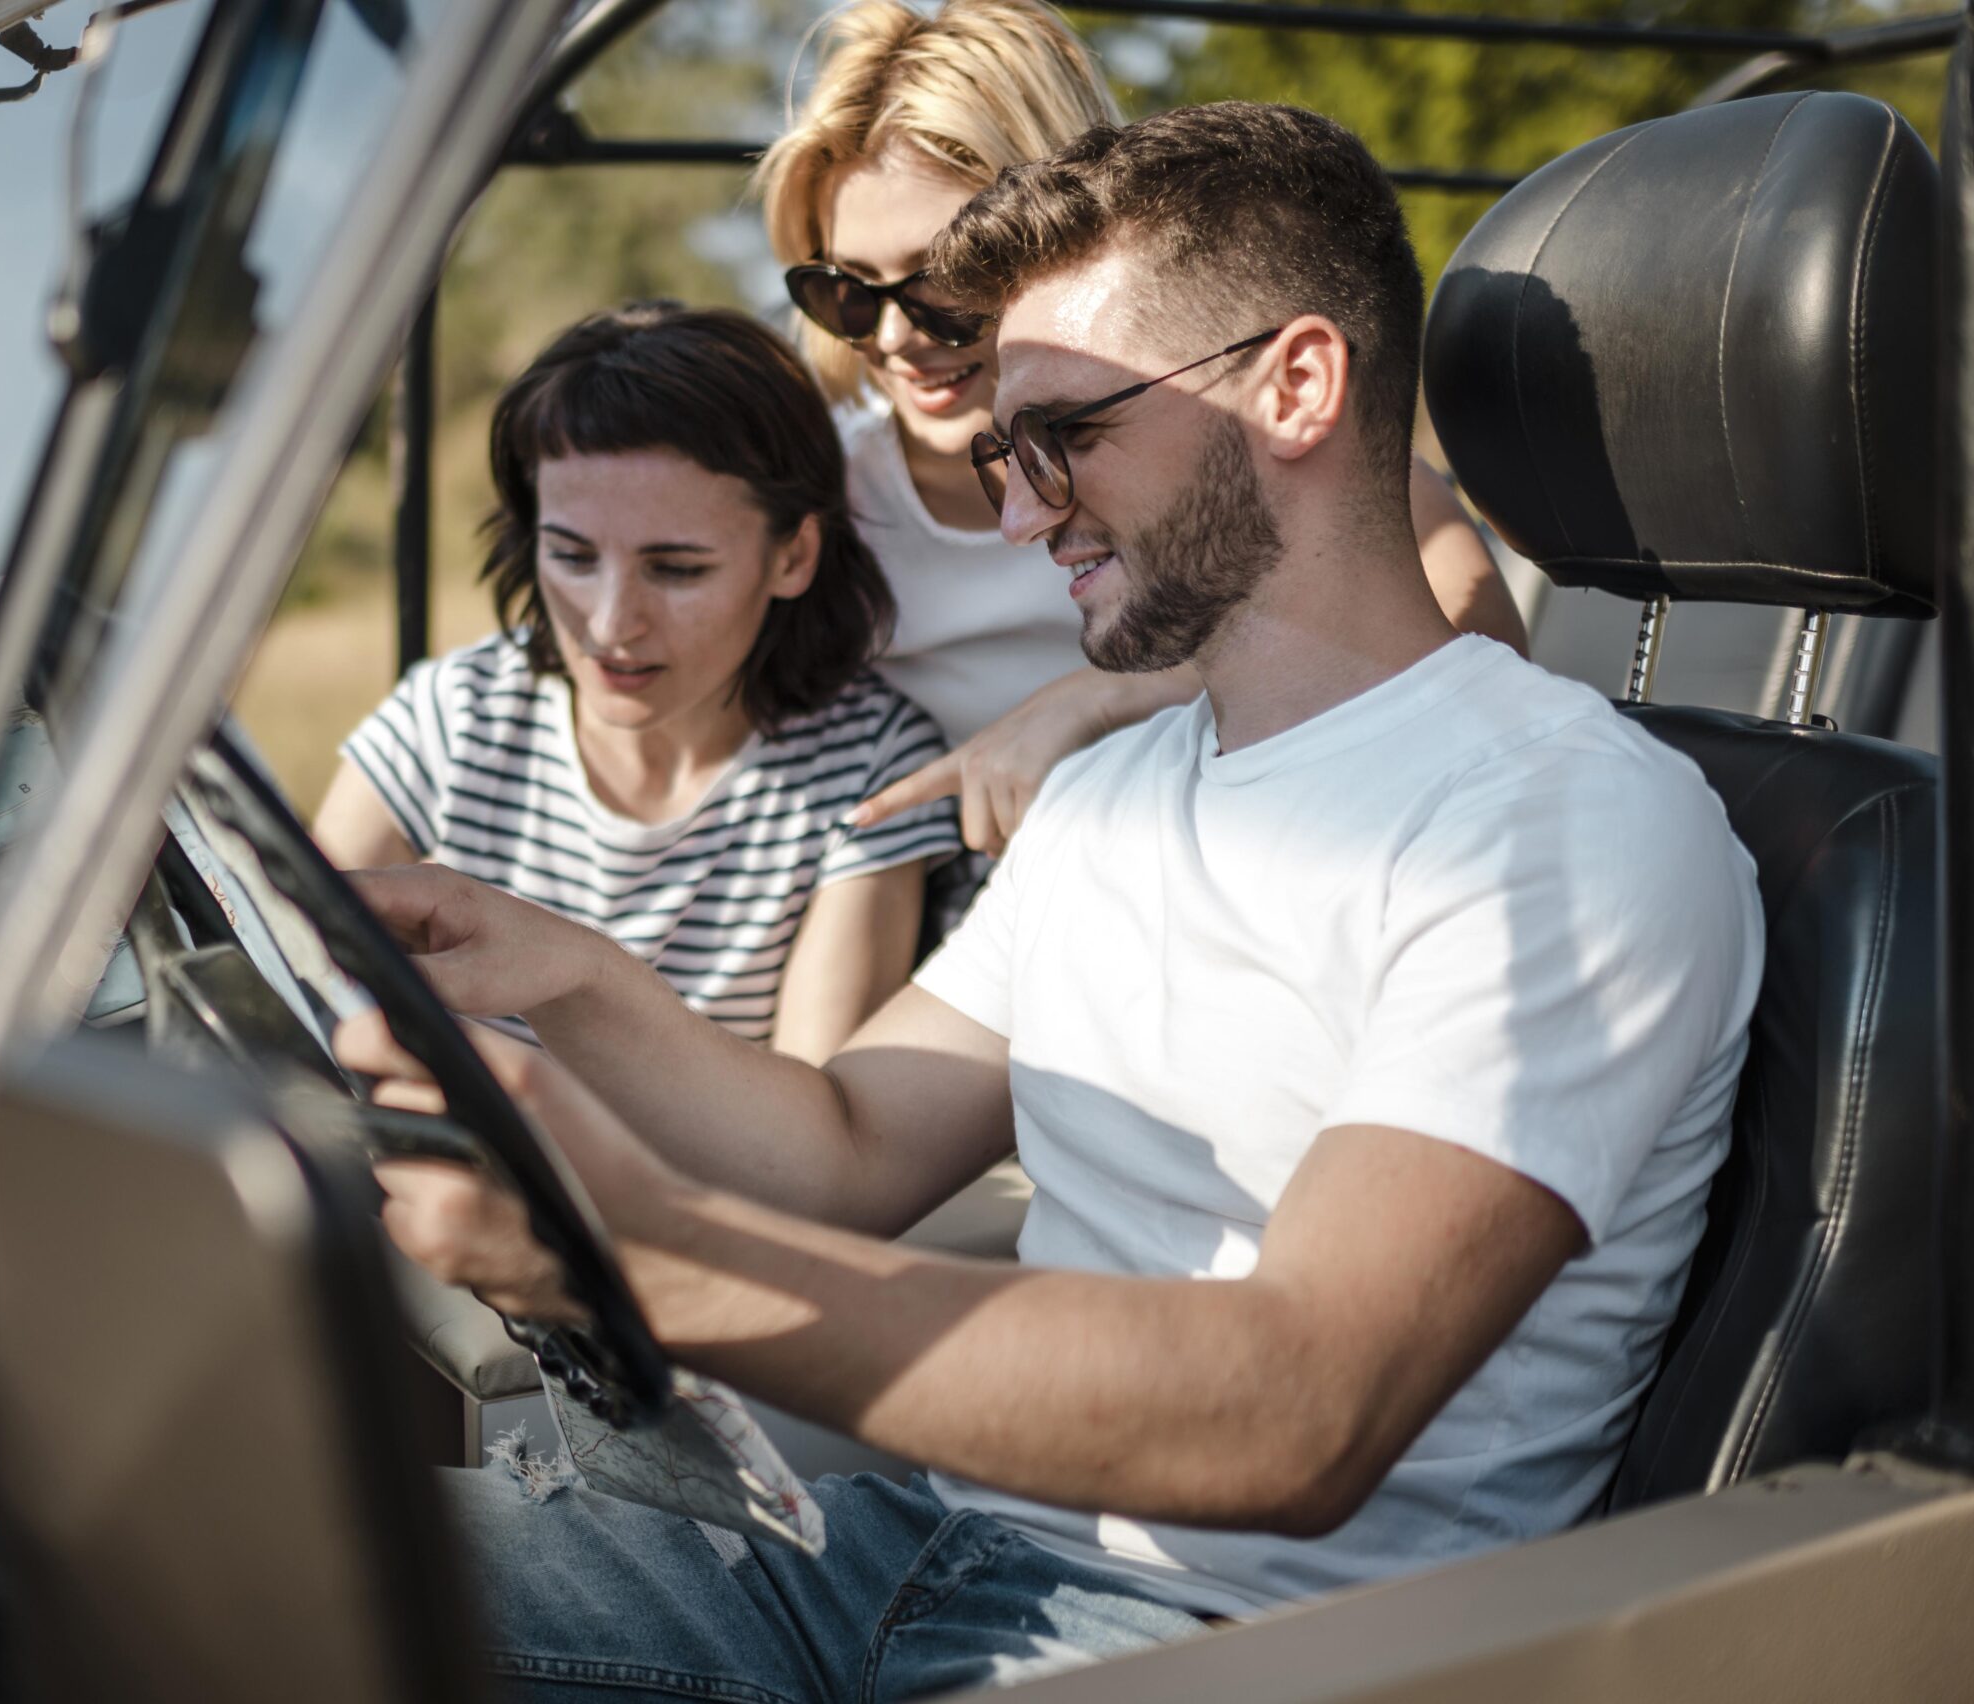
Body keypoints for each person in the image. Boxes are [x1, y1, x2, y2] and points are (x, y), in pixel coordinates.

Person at [345, 104, 1765, 1699]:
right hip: (908, 1556)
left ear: (1295, 385)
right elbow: (846, 1151)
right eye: (1003, 456)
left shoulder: (1560, 825)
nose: (1022, 515)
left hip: (1246, 1643)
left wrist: (653, 1262)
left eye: (1067, 438)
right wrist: (565, 972)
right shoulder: (1116, 796)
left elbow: (1294, 1414)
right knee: (192, 1555)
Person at [758, 0, 1530, 858]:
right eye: (849, 293)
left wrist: (1111, 698)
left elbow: (1476, 643)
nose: (894, 337)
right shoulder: (817, 504)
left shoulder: (1227, 439)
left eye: (943, 283)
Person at [315, 303, 962, 1064]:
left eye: (677, 569)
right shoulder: (453, 713)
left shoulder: (874, 768)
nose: (613, 625)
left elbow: (815, 1146)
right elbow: (288, 981)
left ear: (794, 557)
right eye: (573, 557)